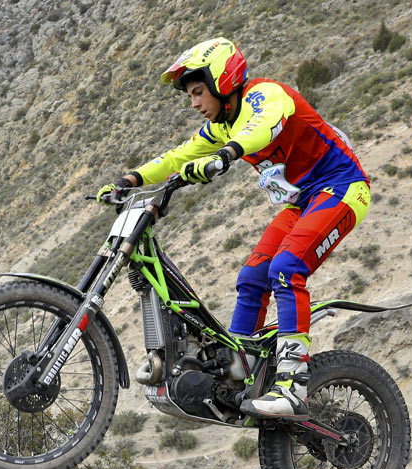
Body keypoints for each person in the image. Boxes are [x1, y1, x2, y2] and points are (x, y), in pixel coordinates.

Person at [97, 37, 370, 419]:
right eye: (190, 95)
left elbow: (262, 128)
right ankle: (238, 375)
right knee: (252, 277)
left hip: (342, 188)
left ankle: (293, 387)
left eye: (198, 92)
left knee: (286, 268)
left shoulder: (266, 95)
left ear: (221, 81)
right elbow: (178, 156)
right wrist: (130, 179)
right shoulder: (221, 126)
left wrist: (226, 155)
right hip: (302, 201)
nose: (194, 103)